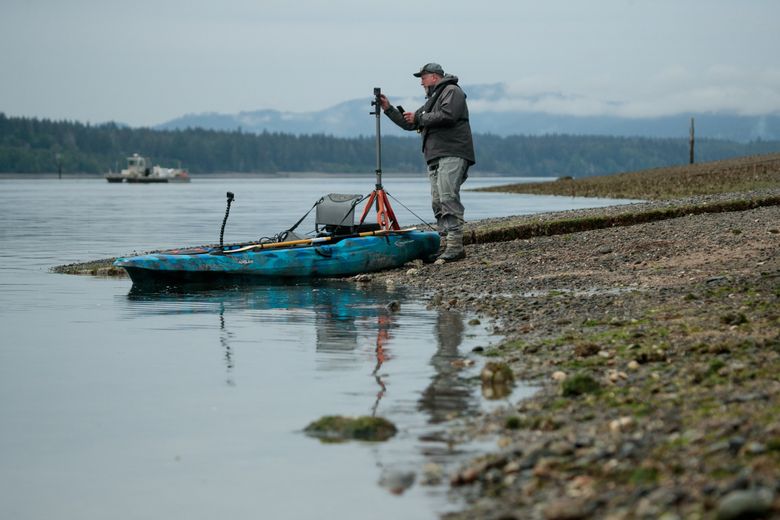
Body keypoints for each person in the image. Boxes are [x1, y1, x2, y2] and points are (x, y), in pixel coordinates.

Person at [379, 62, 475, 262]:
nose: (421, 82)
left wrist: (420, 117)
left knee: (448, 198)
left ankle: (456, 247)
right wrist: (388, 109)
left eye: (423, 78)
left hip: (452, 152)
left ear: (434, 77)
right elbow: (412, 122)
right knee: (438, 201)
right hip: (435, 156)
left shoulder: (451, 91)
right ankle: (445, 245)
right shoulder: (433, 99)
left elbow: (448, 115)